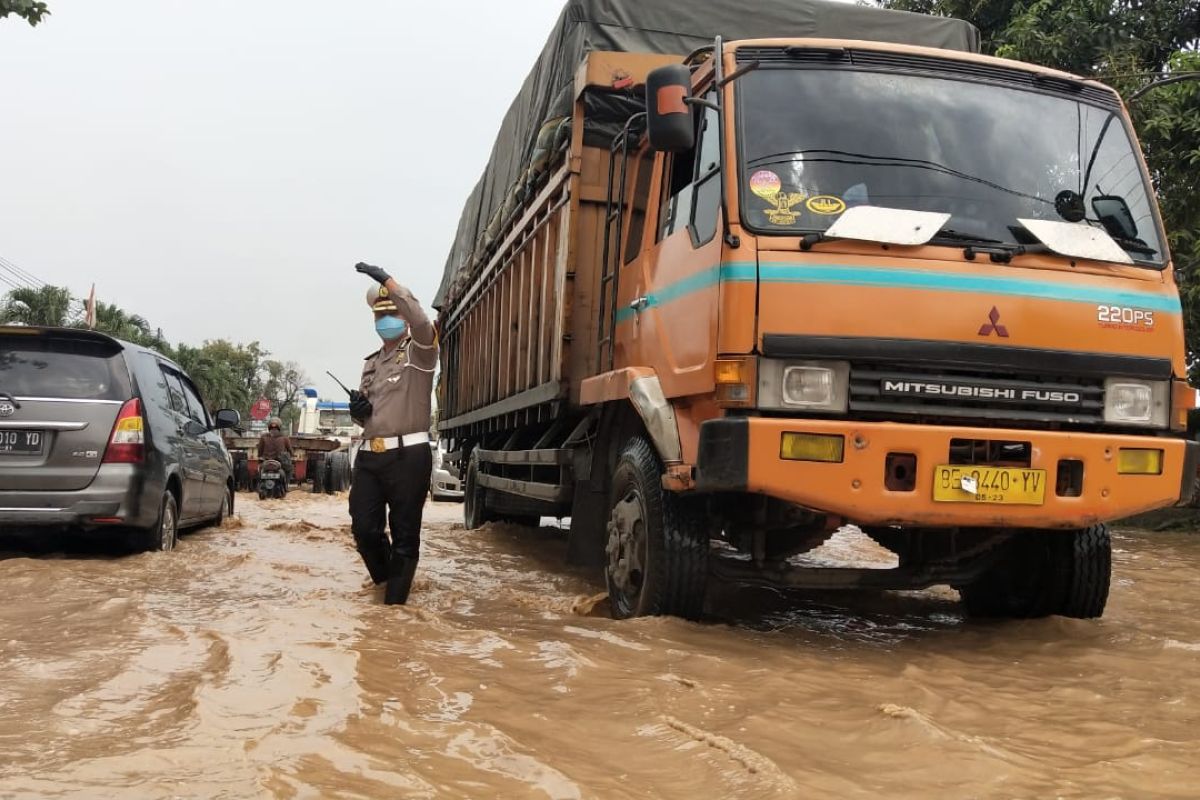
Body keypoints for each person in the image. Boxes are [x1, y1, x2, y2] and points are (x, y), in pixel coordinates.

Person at [348, 261, 438, 605]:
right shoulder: (371, 363)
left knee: (404, 536)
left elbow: (420, 320)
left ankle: (394, 608)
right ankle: (385, 582)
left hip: (408, 457)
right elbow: (370, 417)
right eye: (378, 315)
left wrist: (387, 281)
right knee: (364, 529)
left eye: (391, 312)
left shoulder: (420, 352)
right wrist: (360, 414)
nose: (384, 320)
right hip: (371, 455)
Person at [257, 417, 294, 488]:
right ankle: (286, 485)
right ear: (279, 427)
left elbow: (260, 450)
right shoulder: (284, 437)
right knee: (289, 469)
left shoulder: (263, 437)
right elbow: (290, 449)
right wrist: (292, 455)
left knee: (259, 471)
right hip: (280, 462)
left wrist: (260, 457)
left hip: (266, 461)